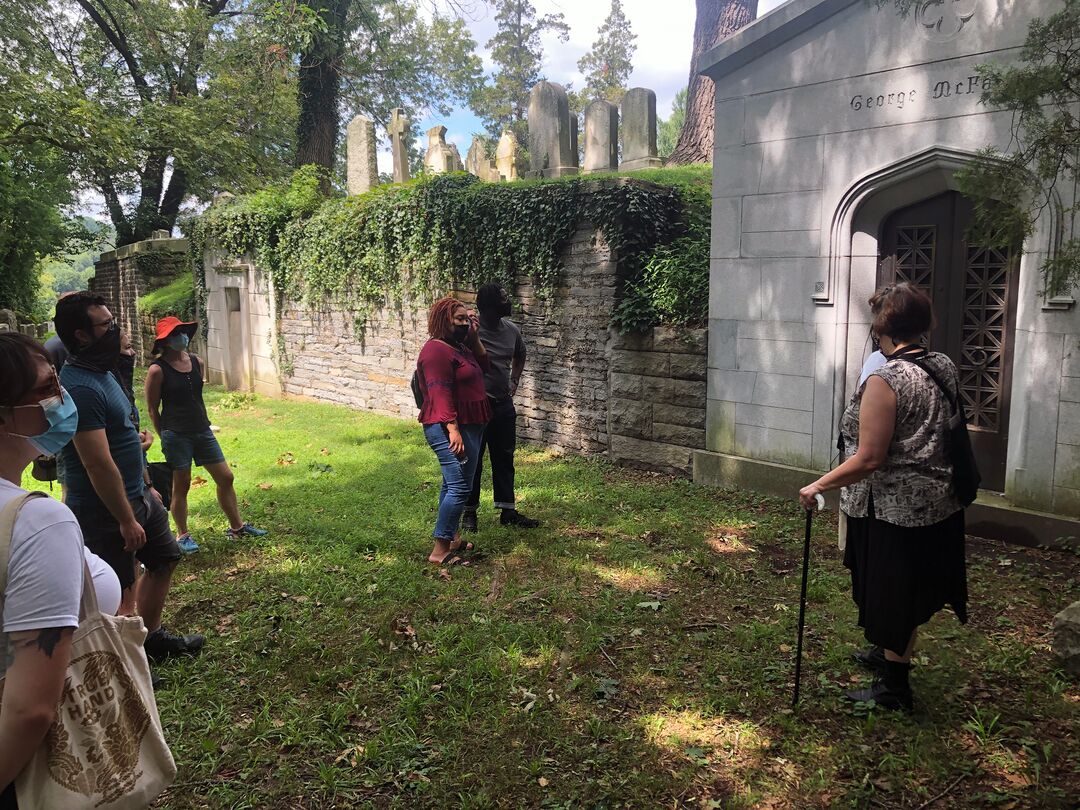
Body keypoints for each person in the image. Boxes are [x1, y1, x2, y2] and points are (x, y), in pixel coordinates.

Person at [799, 283, 967, 710]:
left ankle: (896, 688)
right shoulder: (941, 363)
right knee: (906, 589)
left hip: (893, 510)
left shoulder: (885, 378)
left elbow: (870, 458)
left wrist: (819, 484)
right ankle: (888, 652)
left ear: (881, 327)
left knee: (894, 594)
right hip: (935, 503)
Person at [0, 332, 122, 808]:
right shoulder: (36, 521)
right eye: (46, 388)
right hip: (24, 770)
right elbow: (30, 710)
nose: (61, 399)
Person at [54, 293, 204, 662]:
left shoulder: (103, 374)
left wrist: (148, 482)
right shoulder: (80, 387)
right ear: (82, 335)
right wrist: (124, 518)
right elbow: (96, 463)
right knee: (120, 592)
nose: (117, 331)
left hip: (139, 493)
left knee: (165, 558)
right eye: (106, 325)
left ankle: (148, 640)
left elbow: (120, 434)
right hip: (104, 509)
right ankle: (125, 661)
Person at [145, 316, 267, 554]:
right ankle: (183, 535)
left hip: (202, 430)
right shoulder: (157, 370)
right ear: (165, 341)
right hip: (176, 434)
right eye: (174, 334)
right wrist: (165, 435)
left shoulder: (196, 361)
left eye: (182, 332)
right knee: (181, 485)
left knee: (226, 477)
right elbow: (152, 408)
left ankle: (237, 527)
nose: (181, 337)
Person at [416, 297, 491, 566]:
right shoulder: (436, 351)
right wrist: (452, 428)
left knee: (454, 484)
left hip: (470, 424)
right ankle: (440, 551)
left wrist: (475, 337)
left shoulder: (458, 346)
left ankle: (453, 538)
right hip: (447, 427)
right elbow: (439, 391)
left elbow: (485, 367)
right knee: (459, 486)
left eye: (467, 319)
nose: (465, 324)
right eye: (459, 319)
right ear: (443, 321)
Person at [462, 283, 539, 532]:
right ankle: (469, 514)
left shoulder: (511, 331)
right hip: (476, 407)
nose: (508, 303)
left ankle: (508, 511)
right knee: (473, 461)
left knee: (504, 457)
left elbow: (521, 353)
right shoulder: (470, 332)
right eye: (503, 299)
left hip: (503, 406)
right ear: (488, 307)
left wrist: (514, 380)